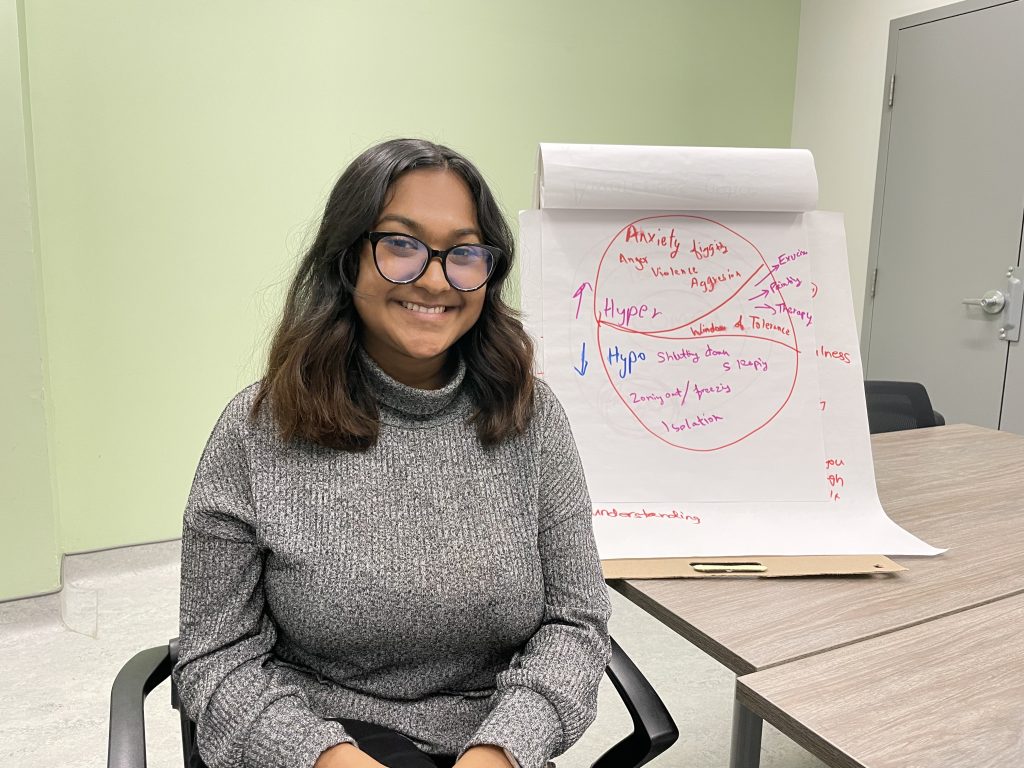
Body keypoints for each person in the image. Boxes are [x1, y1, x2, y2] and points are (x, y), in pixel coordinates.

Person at [173, 138, 611, 768]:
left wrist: (504, 748)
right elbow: (216, 656)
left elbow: (577, 622)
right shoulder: (257, 430)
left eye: (463, 253)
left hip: (492, 740)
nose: (435, 279)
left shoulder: (530, 416)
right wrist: (324, 757)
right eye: (401, 244)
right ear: (348, 259)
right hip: (323, 739)